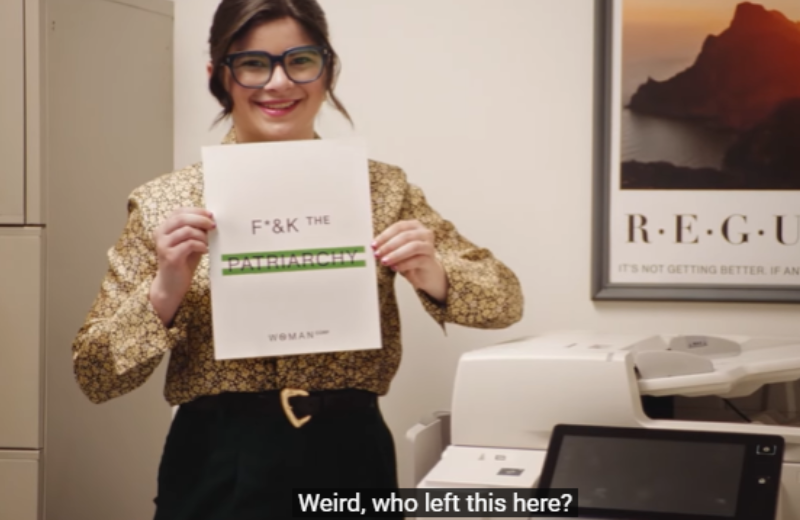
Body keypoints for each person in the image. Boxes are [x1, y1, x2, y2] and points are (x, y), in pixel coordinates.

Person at [71, 0, 524, 518]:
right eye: (253, 64)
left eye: (300, 60)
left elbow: (505, 302)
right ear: (219, 75)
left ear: (327, 69)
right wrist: (164, 291)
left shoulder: (382, 189)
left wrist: (434, 273)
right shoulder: (163, 203)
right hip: (217, 462)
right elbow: (96, 375)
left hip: (349, 455)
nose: (279, 83)